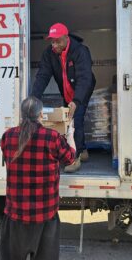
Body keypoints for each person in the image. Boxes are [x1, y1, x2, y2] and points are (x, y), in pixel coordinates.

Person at [0, 96, 75, 260]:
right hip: (45, 215)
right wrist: (70, 135)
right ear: (41, 115)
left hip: (16, 215)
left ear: (21, 115)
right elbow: (70, 158)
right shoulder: (52, 137)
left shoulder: (8, 136)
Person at [32, 23, 96, 172]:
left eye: (58, 41)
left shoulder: (80, 51)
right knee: (69, 119)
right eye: (52, 41)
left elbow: (85, 78)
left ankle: (75, 157)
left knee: (75, 119)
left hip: (82, 89)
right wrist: (34, 98)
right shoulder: (49, 53)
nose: (54, 45)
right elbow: (43, 76)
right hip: (67, 90)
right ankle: (83, 150)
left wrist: (76, 100)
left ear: (66, 38)